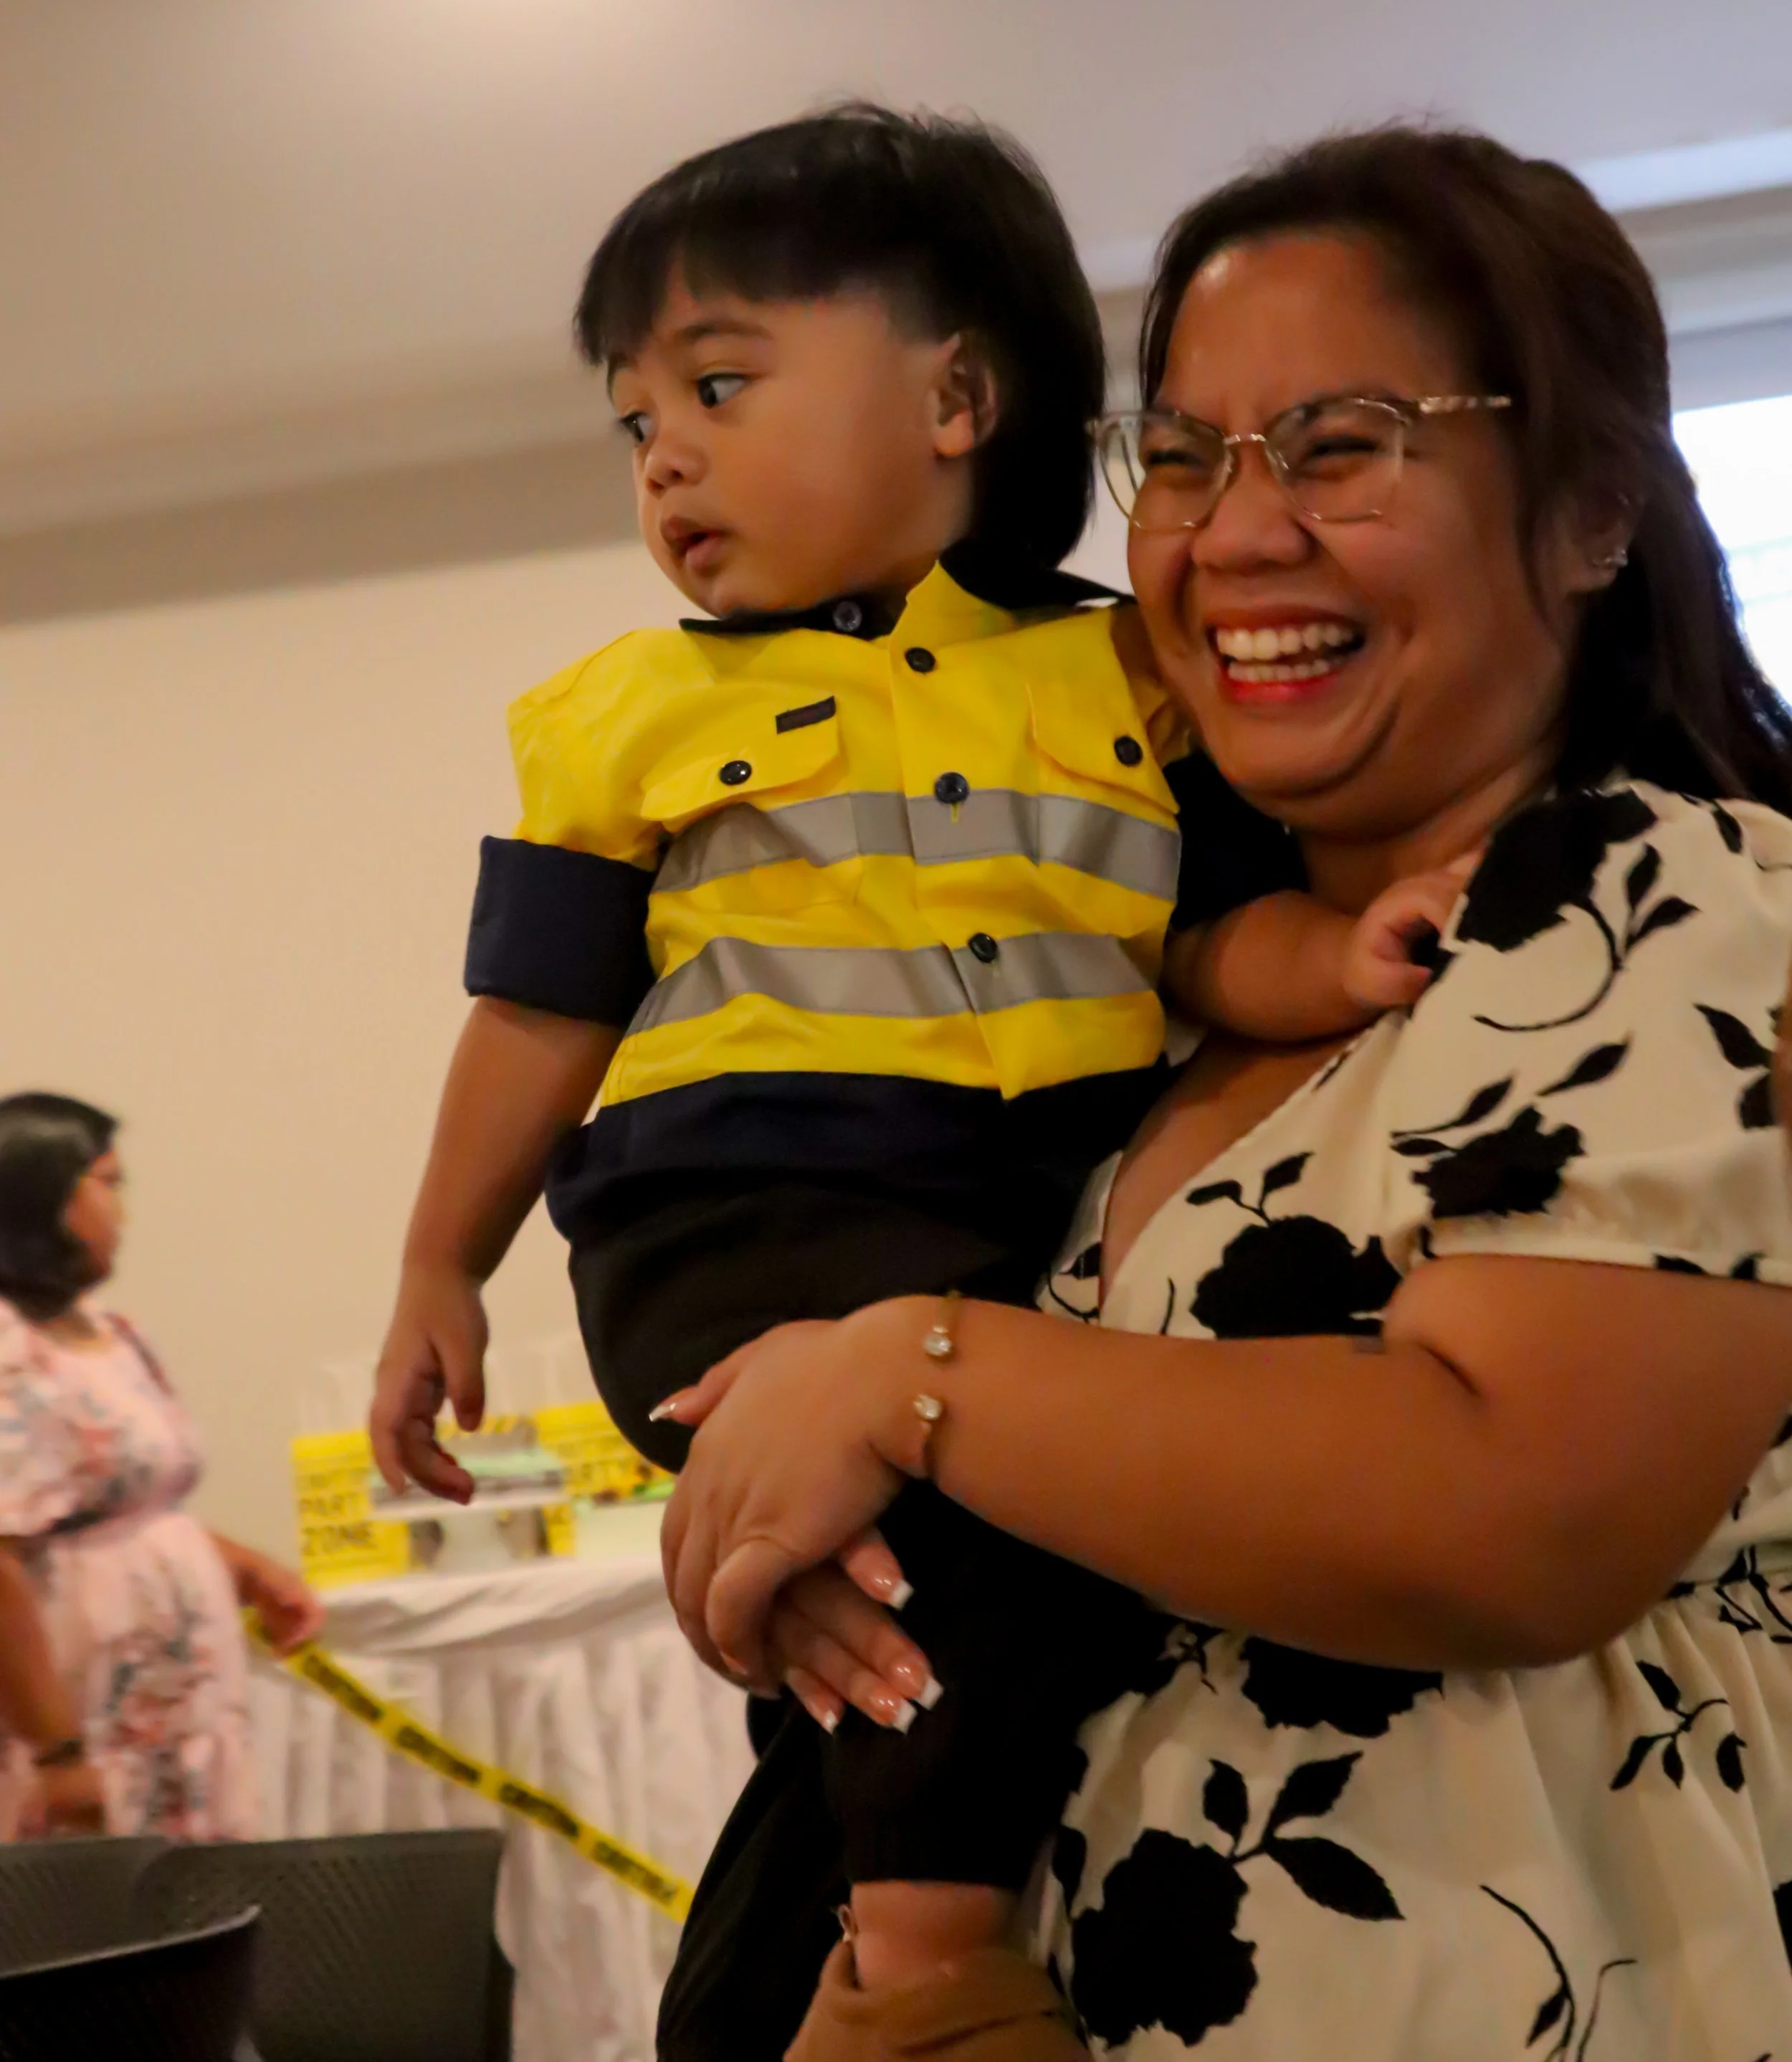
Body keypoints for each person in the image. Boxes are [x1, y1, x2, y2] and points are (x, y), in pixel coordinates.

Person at [659, 124, 1792, 2060]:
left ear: (1592, 507)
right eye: (1178, 456)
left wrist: (911, 1373)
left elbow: (1514, 1510)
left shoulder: (1678, 894)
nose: (1230, 531)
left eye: (1339, 444)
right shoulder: (1149, 976)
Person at [370, 107, 1458, 2062]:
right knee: (954, 1534)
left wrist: (1345, 955)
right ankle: (923, 1971)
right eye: (634, 423)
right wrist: (436, 1263)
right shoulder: (627, 710)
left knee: (1025, 1528)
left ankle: (884, 1901)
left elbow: (1194, 943)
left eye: (714, 382)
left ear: (956, 392)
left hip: (1015, 1203)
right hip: (735, 1204)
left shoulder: (1122, 668)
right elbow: (535, 1015)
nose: (664, 456)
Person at [0, 1093, 320, 1840]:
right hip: (83, 1720)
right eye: (106, 1184)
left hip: (180, 1714)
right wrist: (58, 1752)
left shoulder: (114, 1336)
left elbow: (127, 1509)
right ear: (37, 1201)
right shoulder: (10, 1356)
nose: (124, 1210)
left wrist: (248, 1568)